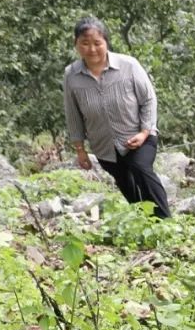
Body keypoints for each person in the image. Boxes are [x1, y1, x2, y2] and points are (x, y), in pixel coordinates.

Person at [62, 16, 171, 218]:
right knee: (125, 183)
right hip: (103, 144)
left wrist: (145, 132)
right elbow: (73, 113)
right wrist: (80, 150)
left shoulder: (129, 65)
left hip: (138, 136)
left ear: (106, 42)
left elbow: (148, 99)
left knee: (141, 169)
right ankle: (145, 221)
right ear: (76, 45)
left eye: (97, 43)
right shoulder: (71, 75)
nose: (92, 49)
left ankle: (165, 220)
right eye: (85, 44)